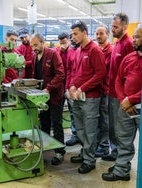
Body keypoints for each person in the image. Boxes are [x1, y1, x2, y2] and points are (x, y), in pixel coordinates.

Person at [102, 24, 142, 181]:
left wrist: (131, 99)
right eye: (134, 36)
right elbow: (118, 80)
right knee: (123, 139)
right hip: (125, 106)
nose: (134, 39)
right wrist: (123, 99)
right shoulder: (129, 58)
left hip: (137, 105)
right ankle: (121, 169)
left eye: (137, 36)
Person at [68, 20, 106, 173]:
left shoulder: (95, 50)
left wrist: (82, 88)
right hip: (77, 97)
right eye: (72, 34)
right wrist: (71, 85)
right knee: (79, 128)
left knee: (90, 130)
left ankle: (89, 160)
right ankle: (85, 152)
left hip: (90, 98)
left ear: (84, 32)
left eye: (76, 34)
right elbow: (74, 71)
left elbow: (100, 74)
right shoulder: (78, 51)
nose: (73, 37)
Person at [102, 13, 134, 162]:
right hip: (112, 92)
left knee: (121, 128)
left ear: (125, 26)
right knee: (113, 126)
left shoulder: (128, 44)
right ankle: (115, 151)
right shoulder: (117, 43)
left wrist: (126, 96)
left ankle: (121, 156)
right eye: (112, 26)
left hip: (121, 96)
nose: (113, 29)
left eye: (116, 27)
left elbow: (131, 72)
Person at [30, 33, 66, 165]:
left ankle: (59, 152)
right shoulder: (35, 57)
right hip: (42, 97)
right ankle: (45, 148)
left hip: (55, 95)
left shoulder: (53, 54)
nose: (34, 48)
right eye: (32, 45)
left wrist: (48, 88)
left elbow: (60, 74)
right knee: (44, 123)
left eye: (36, 45)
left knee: (56, 123)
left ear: (42, 42)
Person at [56, 32, 79, 147]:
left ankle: (76, 135)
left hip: (70, 87)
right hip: (60, 87)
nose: (62, 45)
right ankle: (75, 134)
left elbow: (72, 71)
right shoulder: (57, 52)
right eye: (60, 43)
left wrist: (70, 87)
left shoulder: (73, 53)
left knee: (74, 112)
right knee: (69, 112)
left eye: (64, 42)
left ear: (69, 41)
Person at [94, 25, 114, 158]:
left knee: (104, 120)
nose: (98, 36)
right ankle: (98, 144)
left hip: (105, 90)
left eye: (101, 33)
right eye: (96, 34)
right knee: (97, 119)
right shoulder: (96, 49)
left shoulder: (110, 50)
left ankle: (105, 147)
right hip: (95, 90)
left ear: (107, 34)